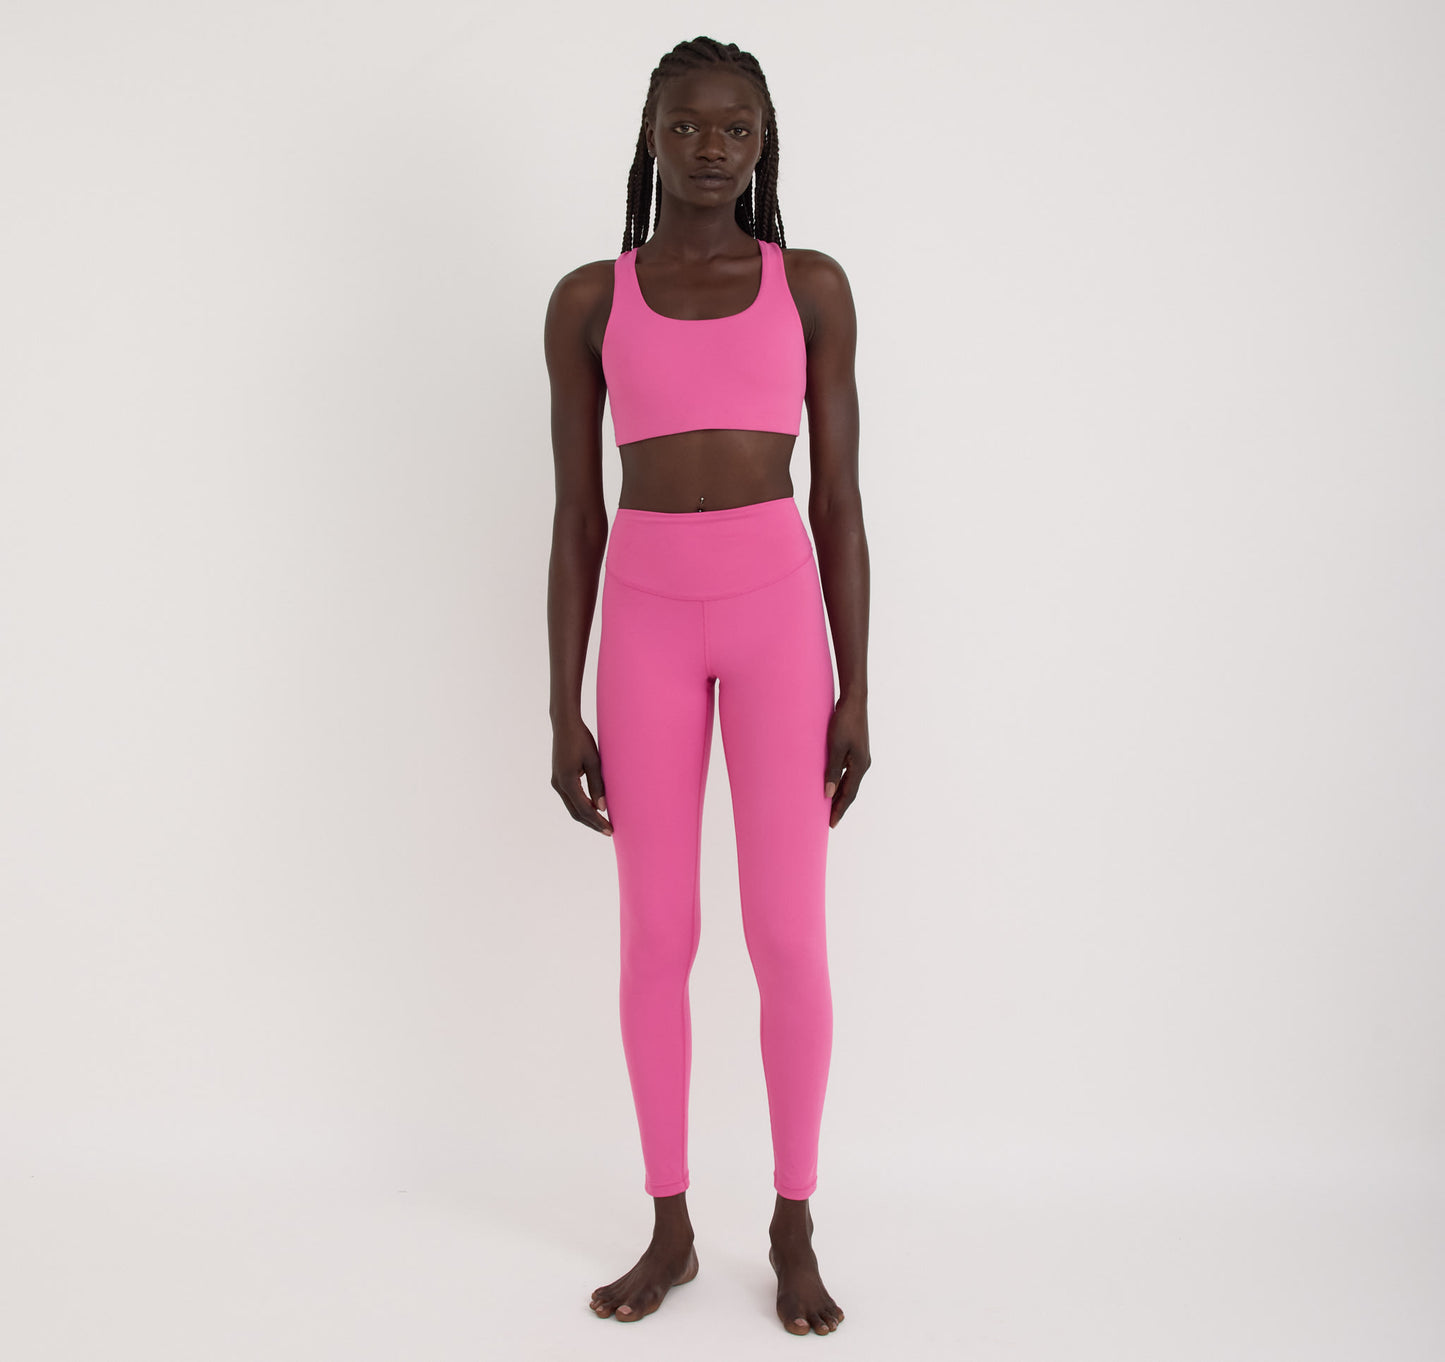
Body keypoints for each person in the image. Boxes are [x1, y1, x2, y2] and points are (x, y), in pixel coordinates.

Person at [544, 35, 870, 1337]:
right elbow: (578, 515)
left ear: (763, 141)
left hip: (778, 619)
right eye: (686, 126)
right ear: (650, 136)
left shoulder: (812, 287)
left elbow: (838, 499)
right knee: (657, 935)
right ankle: (671, 1222)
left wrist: (857, 687)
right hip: (644, 625)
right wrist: (559, 705)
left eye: (736, 127)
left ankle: (793, 1217)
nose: (711, 147)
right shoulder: (590, 299)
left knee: (786, 935)